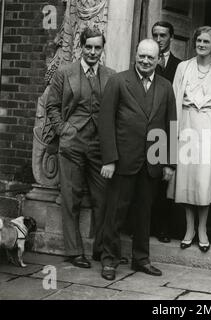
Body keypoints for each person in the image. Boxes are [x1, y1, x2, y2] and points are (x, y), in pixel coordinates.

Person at [98, 39, 176, 281]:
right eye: (141, 56)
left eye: (150, 58)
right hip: (123, 161)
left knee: (144, 214)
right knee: (115, 213)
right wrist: (109, 159)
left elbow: (170, 125)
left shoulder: (165, 86)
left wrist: (169, 162)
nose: (145, 61)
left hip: (152, 162)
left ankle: (141, 259)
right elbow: (106, 122)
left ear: (157, 59)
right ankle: (109, 259)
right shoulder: (118, 81)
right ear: (135, 55)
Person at [46, 27, 115, 268]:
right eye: (89, 47)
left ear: (102, 49)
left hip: (100, 146)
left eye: (97, 47)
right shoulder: (65, 73)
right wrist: (64, 130)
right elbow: (51, 106)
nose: (93, 52)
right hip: (72, 144)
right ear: (81, 47)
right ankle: (74, 252)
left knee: (103, 199)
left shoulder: (110, 76)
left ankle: (100, 249)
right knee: (71, 199)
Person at [169, 26, 211, 252]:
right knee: (186, 178)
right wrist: (173, 129)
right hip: (186, 122)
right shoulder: (183, 67)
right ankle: (189, 228)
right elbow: (174, 96)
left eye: (206, 41)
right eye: (199, 41)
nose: (202, 45)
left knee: (204, 179)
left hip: (208, 125)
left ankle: (203, 229)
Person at [151, 21, 182, 243]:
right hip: (147, 129)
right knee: (146, 179)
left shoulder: (180, 66)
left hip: (167, 128)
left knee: (166, 179)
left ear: (171, 37)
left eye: (163, 35)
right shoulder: (145, 62)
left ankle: (163, 228)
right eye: (155, 35)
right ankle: (143, 226)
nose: (159, 39)